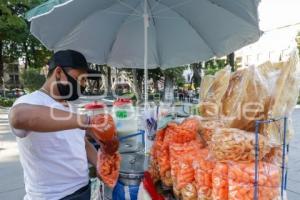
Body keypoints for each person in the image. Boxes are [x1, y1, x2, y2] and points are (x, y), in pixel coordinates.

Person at [9, 50, 118, 200]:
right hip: (52, 196)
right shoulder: (30, 101)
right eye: (79, 79)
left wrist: (101, 166)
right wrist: (87, 121)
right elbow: (18, 117)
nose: (83, 85)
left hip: (82, 189)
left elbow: (81, 143)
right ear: (59, 72)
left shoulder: (69, 107)